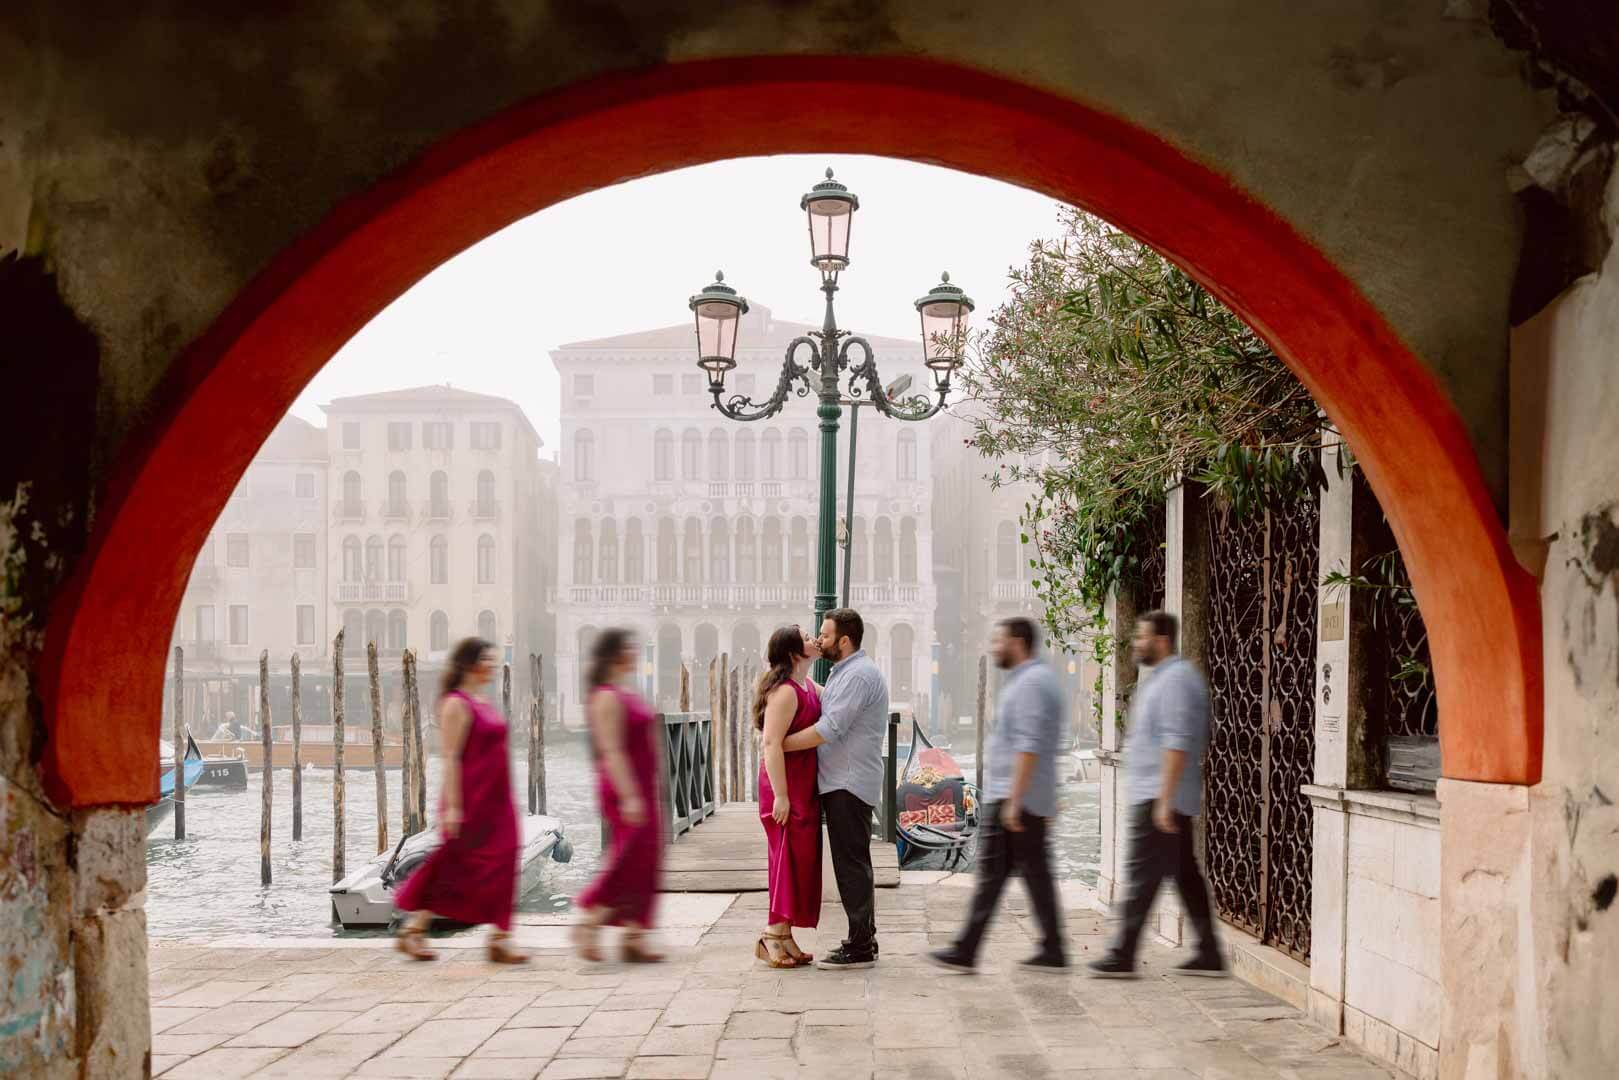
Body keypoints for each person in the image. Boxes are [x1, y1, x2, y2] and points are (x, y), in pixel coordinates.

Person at [1088, 610, 1226, 978]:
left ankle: (1122, 953)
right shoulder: (1163, 678)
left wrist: (1164, 801)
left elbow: (1177, 743)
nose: (1136, 643)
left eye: (1142, 636)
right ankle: (1209, 951)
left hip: (1159, 797)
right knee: (1184, 875)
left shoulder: (1176, 681)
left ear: (1161, 641)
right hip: (1159, 794)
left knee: (1141, 875)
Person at [927, 617, 1068, 973]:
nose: (994, 647)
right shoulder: (1036, 680)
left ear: (1017, 642)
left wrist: (1015, 801)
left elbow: (1029, 747)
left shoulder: (1030, 684)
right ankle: (1052, 947)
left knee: (993, 876)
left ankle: (967, 949)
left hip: (1014, 798)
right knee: (1034, 875)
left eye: (999, 641)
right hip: (1026, 797)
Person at [394, 637, 526, 964]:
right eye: (486, 661)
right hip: (469, 797)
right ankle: (415, 929)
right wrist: (452, 807)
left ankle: (499, 935)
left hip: (497, 799)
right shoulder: (455, 704)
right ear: (469, 664)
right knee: (454, 864)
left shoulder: (481, 700)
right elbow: (451, 757)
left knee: (505, 860)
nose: (492, 667)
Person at [782, 608, 888, 970]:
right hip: (845, 780)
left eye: (825, 636)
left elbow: (829, 728)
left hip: (848, 781)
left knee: (851, 864)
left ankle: (859, 945)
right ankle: (865, 938)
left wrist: (780, 744)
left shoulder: (857, 676)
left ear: (844, 641)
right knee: (853, 862)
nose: (820, 639)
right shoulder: (847, 672)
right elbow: (821, 698)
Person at [572, 628, 665, 963]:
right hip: (624, 787)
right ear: (613, 654)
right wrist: (629, 796)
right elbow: (611, 750)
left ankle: (633, 934)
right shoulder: (607, 696)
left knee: (646, 859)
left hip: (641, 785)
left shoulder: (625, 690)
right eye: (627, 648)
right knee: (628, 856)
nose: (634, 652)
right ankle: (591, 918)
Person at [754, 625, 823, 968]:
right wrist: (781, 795)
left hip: (803, 783)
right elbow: (770, 744)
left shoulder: (808, 686)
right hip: (784, 786)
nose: (815, 641)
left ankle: (785, 936)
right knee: (785, 858)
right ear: (796, 653)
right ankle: (771, 935)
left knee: (799, 859)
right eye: (809, 638)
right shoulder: (784, 693)